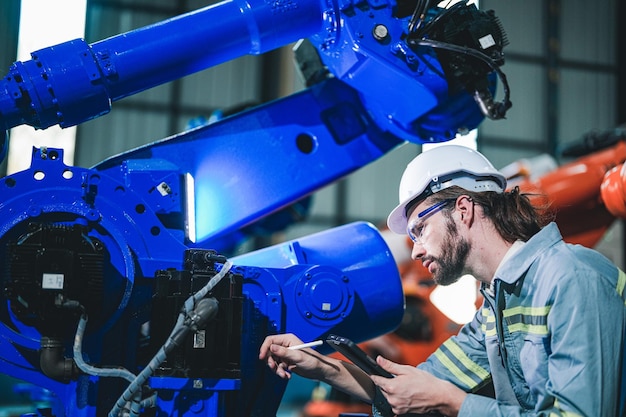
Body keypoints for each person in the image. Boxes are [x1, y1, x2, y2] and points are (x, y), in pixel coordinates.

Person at [259, 144, 626, 417]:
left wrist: (451, 401)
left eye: (420, 230)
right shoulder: (496, 306)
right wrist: (319, 365)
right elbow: (409, 386)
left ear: (464, 210)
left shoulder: (572, 277)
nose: (415, 251)